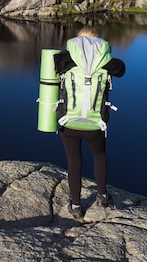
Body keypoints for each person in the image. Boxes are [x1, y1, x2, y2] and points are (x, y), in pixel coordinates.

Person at [53, 27, 125, 220]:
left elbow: (53, 71)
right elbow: (122, 69)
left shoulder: (64, 59)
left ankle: (76, 206)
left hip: (68, 122)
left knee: (74, 161)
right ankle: (102, 196)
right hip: (95, 123)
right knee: (99, 155)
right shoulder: (109, 63)